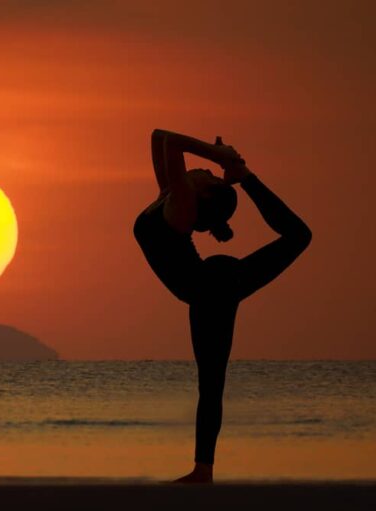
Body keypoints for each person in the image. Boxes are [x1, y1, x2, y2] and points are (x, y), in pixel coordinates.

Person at [133, 129, 312, 483]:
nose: (203, 171)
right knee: (210, 383)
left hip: (214, 289)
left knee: (211, 382)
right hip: (211, 286)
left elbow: (172, 142)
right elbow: (157, 136)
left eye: (210, 176)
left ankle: (203, 471)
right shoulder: (170, 196)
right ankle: (203, 470)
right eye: (210, 172)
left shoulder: (182, 204)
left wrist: (221, 158)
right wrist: (220, 160)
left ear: (203, 192)